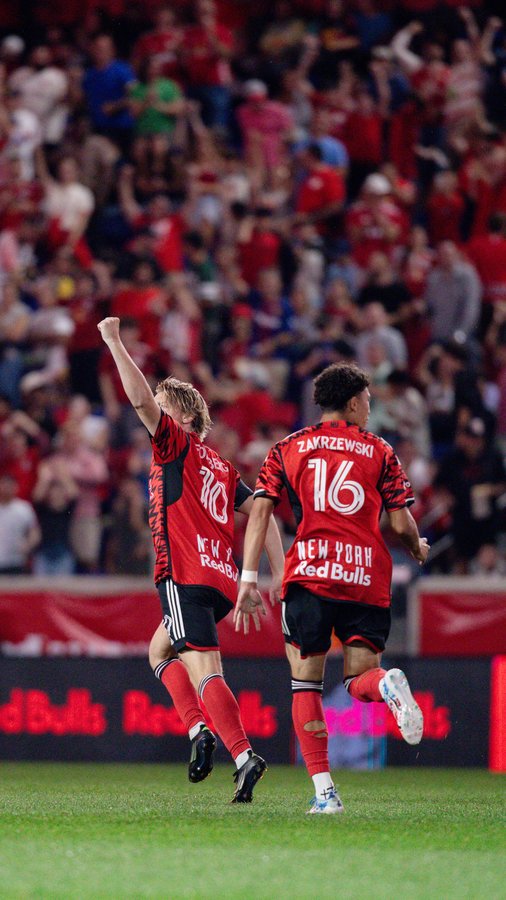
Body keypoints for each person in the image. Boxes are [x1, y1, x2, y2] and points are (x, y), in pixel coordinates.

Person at [97, 316, 284, 803]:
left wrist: (114, 340)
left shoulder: (174, 443)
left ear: (180, 418)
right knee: (159, 651)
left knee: (206, 672)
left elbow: (138, 399)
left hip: (184, 573)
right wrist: (273, 572)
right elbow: (264, 511)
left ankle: (243, 756)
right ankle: (199, 731)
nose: (151, 414)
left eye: (162, 409)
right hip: (219, 582)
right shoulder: (221, 465)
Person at [235, 362, 430, 814]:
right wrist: (417, 549)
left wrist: (250, 578)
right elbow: (401, 523)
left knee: (305, 685)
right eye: (367, 399)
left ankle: (326, 793)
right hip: (365, 577)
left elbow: (261, 513)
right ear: (352, 402)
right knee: (359, 675)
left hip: (310, 576)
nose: (370, 406)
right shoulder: (380, 450)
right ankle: (385, 684)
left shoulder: (287, 447)